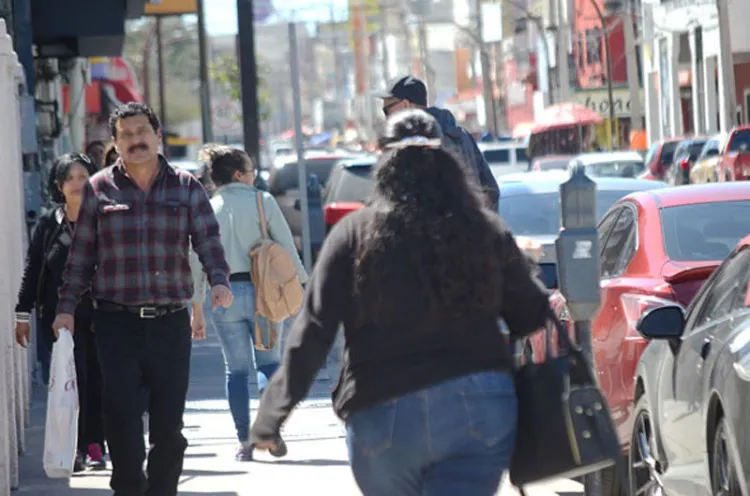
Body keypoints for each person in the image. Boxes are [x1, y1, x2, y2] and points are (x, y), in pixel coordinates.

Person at [250, 109, 550, 495]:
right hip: (478, 403)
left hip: (382, 406)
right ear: (446, 161)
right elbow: (530, 315)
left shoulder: (354, 234)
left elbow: (314, 330)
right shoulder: (484, 229)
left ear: (384, 162)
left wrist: (272, 414)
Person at [53, 102, 233, 496]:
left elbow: (209, 242)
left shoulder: (187, 187)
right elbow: (81, 256)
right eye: (127, 135)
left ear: (157, 135)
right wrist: (66, 308)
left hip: (170, 324)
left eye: (142, 132)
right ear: (116, 143)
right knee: (122, 417)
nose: (136, 140)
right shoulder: (99, 188)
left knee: (169, 425)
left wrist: (219, 281)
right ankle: (130, 488)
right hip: (116, 323)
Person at [190, 144, 308, 461]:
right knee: (269, 364)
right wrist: (303, 283)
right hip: (264, 293)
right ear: (240, 174)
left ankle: (244, 442)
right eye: (252, 171)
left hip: (223, 294)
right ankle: (269, 430)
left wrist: (196, 305)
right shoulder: (261, 200)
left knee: (236, 371)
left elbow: (196, 259)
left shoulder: (207, 207)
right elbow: (285, 244)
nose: (254, 176)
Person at [15, 153, 106, 472]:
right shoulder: (48, 224)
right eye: (71, 178)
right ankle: (77, 447)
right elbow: (34, 268)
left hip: (102, 315)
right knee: (72, 381)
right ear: (59, 185)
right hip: (58, 320)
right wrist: (22, 313)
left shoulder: (105, 218)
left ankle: (95, 441)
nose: (78, 183)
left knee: (98, 380)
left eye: (84, 176)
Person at [375, 75, 500, 210]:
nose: (386, 118)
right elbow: (491, 191)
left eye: (387, 110)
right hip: (466, 227)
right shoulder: (462, 137)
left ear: (406, 104)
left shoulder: (411, 145)